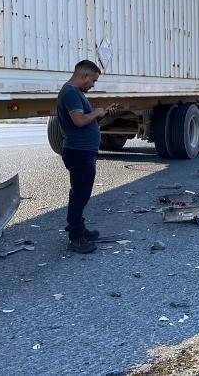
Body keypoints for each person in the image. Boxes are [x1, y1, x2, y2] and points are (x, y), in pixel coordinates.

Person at [56, 60, 119, 253]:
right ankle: (75, 239)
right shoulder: (71, 93)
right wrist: (97, 112)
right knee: (79, 195)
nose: (93, 84)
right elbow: (80, 120)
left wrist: (104, 114)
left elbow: (87, 121)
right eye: (93, 80)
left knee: (80, 194)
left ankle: (80, 229)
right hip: (78, 152)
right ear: (83, 76)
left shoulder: (76, 94)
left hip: (82, 151)